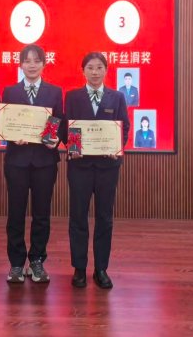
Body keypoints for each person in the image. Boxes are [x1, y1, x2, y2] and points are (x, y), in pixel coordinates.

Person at [64, 52, 130, 289]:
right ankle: (79, 268)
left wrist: (117, 147)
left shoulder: (117, 97)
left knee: (104, 217)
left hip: (107, 167)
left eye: (99, 67)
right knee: (78, 217)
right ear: (83, 71)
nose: (94, 72)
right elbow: (67, 126)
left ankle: (101, 269)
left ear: (106, 70)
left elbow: (124, 127)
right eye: (90, 67)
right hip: (79, 166)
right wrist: (72, 146)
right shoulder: (73, 97)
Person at [2, 44, 63, 284]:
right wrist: (10, 136)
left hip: (44, 161)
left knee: (42, 214)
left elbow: (60, 122)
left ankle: (37, 260)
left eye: (37, 60)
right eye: (27, 61)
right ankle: (17, 263)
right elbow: (5, 123)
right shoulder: (9, 91)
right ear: (20, 64)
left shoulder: (55, 92)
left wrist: (56, 139)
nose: (32, 65)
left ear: (44, 64)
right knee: (15, 213)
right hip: (16, 161)